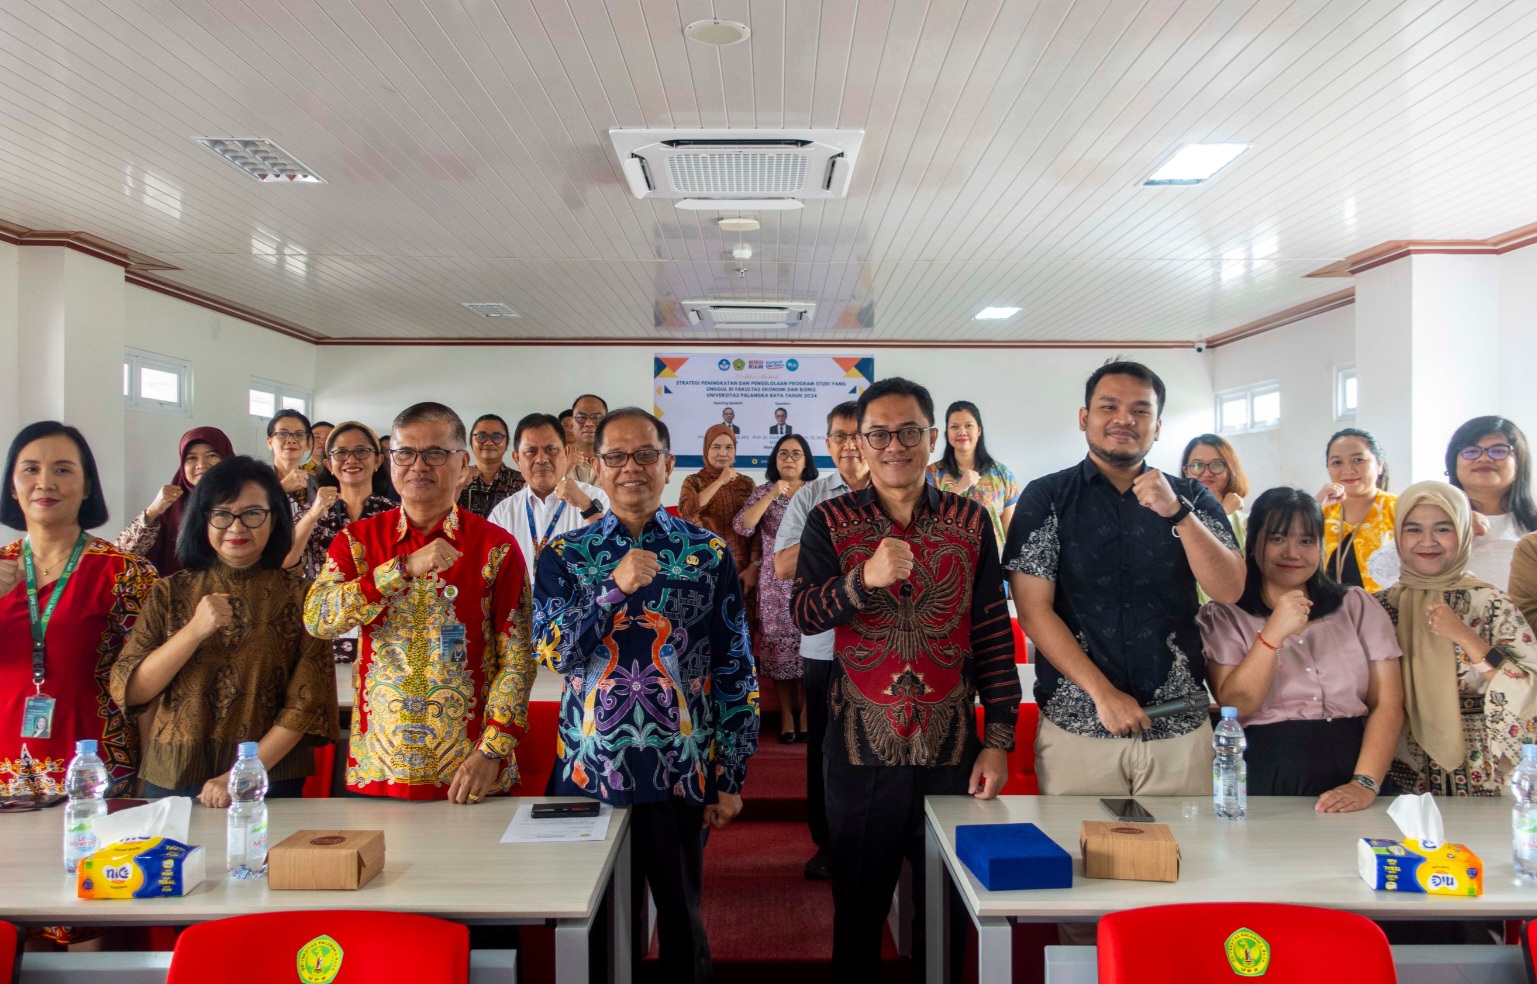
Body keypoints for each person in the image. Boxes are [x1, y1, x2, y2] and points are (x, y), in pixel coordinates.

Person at [791, 377, 1019, 977]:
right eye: (880, 434)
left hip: (951, 750)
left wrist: (998, 741)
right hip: (861, 749)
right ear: (860, 444)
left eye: (910, 431)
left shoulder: (971, 522)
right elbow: (804, 612)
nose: (896, 445)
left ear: (933, 437)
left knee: (947, 910)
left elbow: (993, 633)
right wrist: (861, 579)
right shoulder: (828, 520)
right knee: (859, 909)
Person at [532, 407, 758, 984]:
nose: (631, 468)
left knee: (682, 920)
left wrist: (730, 775)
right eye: (616, 457)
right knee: (595, 920)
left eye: (646, 455)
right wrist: (612, 589)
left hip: (679, 769)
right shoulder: (563, 556)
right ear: (596, 468)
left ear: (666, 463)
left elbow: (735, 665)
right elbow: (553, 652)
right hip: (589, 768)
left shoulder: (707, 555)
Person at [1005, 360, 1243, 797]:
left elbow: (1228, 589)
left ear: (1157, 425)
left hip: (1179, 727)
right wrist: (1103, 694)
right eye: (1109, 406)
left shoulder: (1190, 496)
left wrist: (1179, 514)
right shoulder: (1048, 496)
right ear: (1084, 418)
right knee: (1080, 861)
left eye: (1140, 410)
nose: (1124, 420)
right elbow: (1033, 611)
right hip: (1079, 726)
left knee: (1186, 861)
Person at [304, 403, 536, 802]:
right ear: (389, 462)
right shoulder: (358, 541)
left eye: (435, 454)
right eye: (405, 453)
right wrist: (400, 570)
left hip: (469, 770)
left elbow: (516, 659)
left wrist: (492, 750)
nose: (418, 466)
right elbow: (319, 619)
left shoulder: (495, 547)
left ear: (463, 464)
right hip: (378, 767)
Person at [111, 457, 337, 804]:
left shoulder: (302, 597)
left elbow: (306, 704)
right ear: (203, 519)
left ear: (274, 518)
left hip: (268, 779)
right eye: (221, 514)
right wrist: (193, 632)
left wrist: (241, 773)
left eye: (252, 513)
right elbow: (132, 689)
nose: (236, 527)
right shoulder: (170, 592)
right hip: (172, 775)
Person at [1197, 488, 1402, 811]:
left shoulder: (1356, 605)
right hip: (1268, 770)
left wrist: (1364, 783)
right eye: (1278, 539)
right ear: (1252, 543)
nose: (1292, 552)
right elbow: (1237, 704)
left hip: (1355, 766)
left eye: (1306, 541)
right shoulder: (1223, 614)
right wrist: (1273, 634)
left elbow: (1388, 702)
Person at [0, 422, 157, 799]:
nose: (45, 482)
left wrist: (150, 777)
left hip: (99, 775)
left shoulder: (127, 573)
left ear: (87, 487)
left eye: (63, 469)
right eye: (31, 469)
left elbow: (153, 687)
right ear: (12, 485)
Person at [1376, 481, 1537, 796]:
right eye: (1413, 529)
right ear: (1397, 535)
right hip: (1400, 771)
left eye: (1442, 529)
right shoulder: (1378, 608)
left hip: (1484, 771)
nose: (1427, 541)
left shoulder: (1491, 603)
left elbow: (1529, 688)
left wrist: (1466, 637)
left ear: (1463, 532)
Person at [773, 401, 870, 881]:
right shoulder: (810, 495)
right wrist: (853, 558)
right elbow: (783, 566)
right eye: (840, 436)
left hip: (884, 646)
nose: (849, 444)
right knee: (826, 751)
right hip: (824, 645)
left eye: (858, 434)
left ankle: (871, 840)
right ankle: (827, 843)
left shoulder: (897, 489)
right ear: (827, 444)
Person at [734, 434, 816, 742]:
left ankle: (807, 714)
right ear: (775, 460)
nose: (790, 459)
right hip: (772, 582)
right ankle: (786, 715)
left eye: (796, 454)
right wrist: (771, 496)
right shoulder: (763, 491)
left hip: (810, 576)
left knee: (810, 645)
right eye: (783, 454)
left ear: (806, 460)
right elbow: (743, 526)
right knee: (779, 650)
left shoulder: (815, 491)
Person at [487, 412, 608, 586]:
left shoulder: (595, 498)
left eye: (550, 450)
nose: (541, 459)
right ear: (517, 459)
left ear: (566, 452)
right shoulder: (503, 513)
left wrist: (586, 506)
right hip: (522, 611)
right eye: (531, 451)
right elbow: (490, 574)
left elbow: (615, 555)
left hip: (581, 609)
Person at [116, 426, 234, 577]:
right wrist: (152, 512)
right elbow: (120, 555)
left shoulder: (244, 500)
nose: (201, 464)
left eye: (211, 455)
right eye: (191, 457)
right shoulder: (170, 506)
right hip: (177, 595)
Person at [679, 424, 760, 637]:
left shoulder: (746, 483)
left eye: (728, 447)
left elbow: (757, 528)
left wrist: (754, 566)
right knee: (705, 633)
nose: (722, 453)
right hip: (704, 569)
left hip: (741, 571)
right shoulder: (693, 481)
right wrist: (721, 481)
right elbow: (687, 511)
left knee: (741, 634)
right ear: (706, 450)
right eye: (716, 447)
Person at [1445, 416, 1537, 590]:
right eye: (1471, 451)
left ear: (1520, 462)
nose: (1484, 458)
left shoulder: (1533, 528)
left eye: (1498, 451)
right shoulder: (1435, 521)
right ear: (1453, 463)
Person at [924, 400, 1021, 556]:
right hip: (946, 564)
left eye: (968, 425)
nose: (962, 432)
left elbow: (1012, 533)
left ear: (979, 431)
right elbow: (926, 522)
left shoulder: (1002, 475)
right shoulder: (931, 475)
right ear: (947, 433)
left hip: (993, 566)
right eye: (954, 427)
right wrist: (960, 487)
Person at [302, 422, 397, 578]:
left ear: (377, 461)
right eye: (341, 452)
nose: (351, 459)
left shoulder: (395, 513)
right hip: (326, 600)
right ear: (329, 465)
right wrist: (312, 515)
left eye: (361, 451)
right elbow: (287, 561)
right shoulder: (312, 512)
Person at [1317, 427, 1398, 592]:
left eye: (1358, 460)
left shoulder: (1401, 510)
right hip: (1325, 612)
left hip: (1387, 612)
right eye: (1337, 462)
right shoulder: (1319, 512)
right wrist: (1312, 505)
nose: (1347, 470)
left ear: (1379, 465)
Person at [1181, 433, 1251, 604]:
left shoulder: (1247, 524)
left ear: (1230, 469)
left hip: (1237, 618)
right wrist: (1222, 512)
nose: (1206, 472)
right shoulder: (1173, 517)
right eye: (1196, 465)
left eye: (1217, 465)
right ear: (1186, 471)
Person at [458, 413, 526, 518]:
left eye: (497, 437)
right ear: (471, 441)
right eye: (481, 436)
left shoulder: (522, 483)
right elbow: (442, 515)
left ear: (506, 442)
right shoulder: (457, 480)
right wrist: (459, 486)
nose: (489, 442)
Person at [267, 410, 319, 509]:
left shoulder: (316, 484)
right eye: (282, 434)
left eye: (299, 435)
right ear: (270, 443)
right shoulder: (254, 479)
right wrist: (282, 489)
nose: (291, 440)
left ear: (307, 444)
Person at [568, 395, 607, 484]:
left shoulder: (618, 461)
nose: (589, 423)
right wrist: (562, 470)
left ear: (607, 423)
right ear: (571, 424)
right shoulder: (557, 460)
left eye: (596, 418)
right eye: (581, 418)